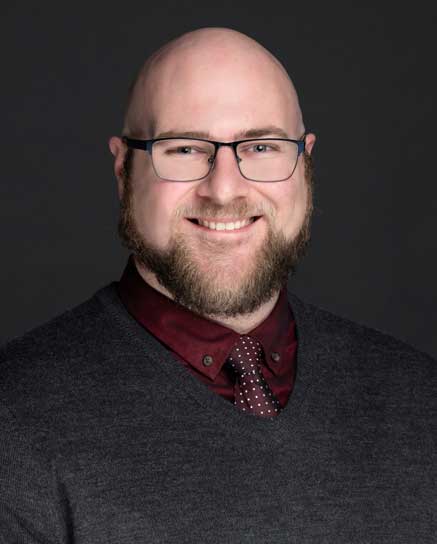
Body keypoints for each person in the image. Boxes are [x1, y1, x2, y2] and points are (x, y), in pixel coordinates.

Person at [0, 27, 435, 543]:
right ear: (124, 170)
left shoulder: (420, 399)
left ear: (306, 163)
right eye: (184, 149)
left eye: (262, 146)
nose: (224, 189)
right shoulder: (15, 423)